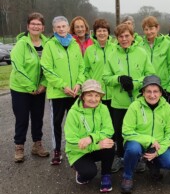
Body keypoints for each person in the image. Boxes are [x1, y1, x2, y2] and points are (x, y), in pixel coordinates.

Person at [102, 23, 155, 173]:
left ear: (132, 36)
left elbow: (150, 74)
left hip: (138, 101)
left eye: (127, 36)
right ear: (117, 38)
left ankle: (139, 158)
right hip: (119, 103)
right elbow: (105, 78)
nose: (124, 39)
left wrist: (135, 83)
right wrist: (119, 79)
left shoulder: (142, 53)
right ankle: (120, 157)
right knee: (118, 132)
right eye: (121, 36)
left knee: (139, 130)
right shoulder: (112, 55)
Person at [121, 75, 170, 194]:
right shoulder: (135, 106)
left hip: (157, 146)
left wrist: (159, 151)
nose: (152, 95)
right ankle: (127, 176)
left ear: (161, 93)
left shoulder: (167, 108)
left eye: (156, 91)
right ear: (143, 92)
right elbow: (126, 131)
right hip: (137, 143)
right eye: (148, 91)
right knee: (133, 149)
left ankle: (153, 163)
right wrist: (149, 139)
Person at [41, 16, 85, 165]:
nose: (61, 29)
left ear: (68, 28)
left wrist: (79, 84)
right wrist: (62, 86)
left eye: (64, 26)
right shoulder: (50, 45)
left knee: (75, 122)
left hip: (75, 92)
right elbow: (47, 69)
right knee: (57, 122)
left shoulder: (74, 44)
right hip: (58, 93)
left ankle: (74, 149)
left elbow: (81, 67)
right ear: (54, 29)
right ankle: (57, 151)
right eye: (58, 27)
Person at [10, 12, 49, 163]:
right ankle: (19, 146)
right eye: (33, 24)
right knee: (22, 118)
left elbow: (50, 68)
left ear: (43, 27)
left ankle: (37, 144)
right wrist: (30, 86)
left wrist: (43, 84)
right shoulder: (21, 44)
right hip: (20, 88)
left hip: (39, 89)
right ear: (28, 26)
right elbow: (18, 68)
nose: (35, 26)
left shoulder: (48, 45)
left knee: (38, 117)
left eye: (38, 24)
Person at [64, 79, 115, 193]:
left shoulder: (103, 108)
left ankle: (106, 176)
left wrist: (91, 138)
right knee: (89, 174)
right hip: (78, 151)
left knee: (110, 143)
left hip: (95, 145)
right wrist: (96, 146)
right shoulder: (73, 113)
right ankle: (80, 171)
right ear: (82, 96)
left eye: (97, 95)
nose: (93, 99)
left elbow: (109, 130)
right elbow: (71, 140)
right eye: (89, 95)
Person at [84, 18, 115, 117]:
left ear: (108, 33)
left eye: (104, 30)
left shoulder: (116, 48)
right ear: (95, 33)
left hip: (113, 93)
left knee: (114, 124)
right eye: (99, 31)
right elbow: (85, 70)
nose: (102, 33)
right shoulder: (89, 50)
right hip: (96, 94)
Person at [140, 16, 170, 101]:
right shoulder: (140, 46)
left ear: (157, 28)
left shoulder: (167, 44)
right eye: (146, 29)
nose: (149, 32)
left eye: (151, 28)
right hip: (146, 88)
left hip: (163, 87)